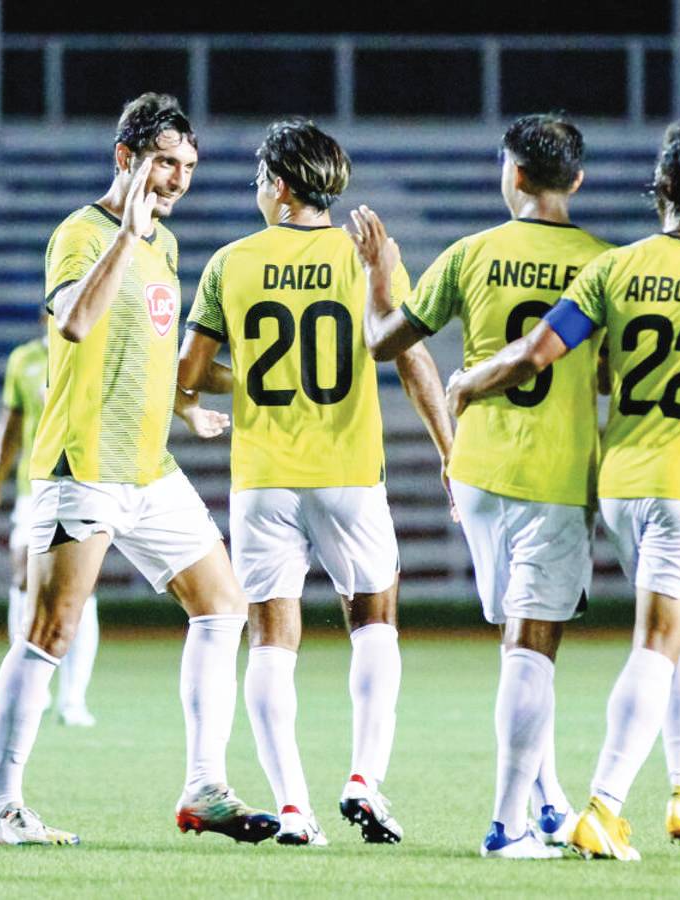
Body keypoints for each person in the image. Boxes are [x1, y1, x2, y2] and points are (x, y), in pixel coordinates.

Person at [443, 117, 680, 860]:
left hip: (621, 478)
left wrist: (467, 379)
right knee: (661, 639)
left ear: (664, 186)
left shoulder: (616, 266)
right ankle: (604, 804)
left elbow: (540, 355)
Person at [0, 93, 277, 847]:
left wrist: (184, 408)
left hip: (149, 467)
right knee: (51, 629)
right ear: (126, 159)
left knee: (223, 605)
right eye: (163, 162)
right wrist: (127, 240)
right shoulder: (81, 232)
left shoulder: (166, 249)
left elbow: (141, 350)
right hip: (85, 465)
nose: (177, 179)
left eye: (188, 167)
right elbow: (75, 321)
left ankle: (205, 787)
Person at [177, 119, 453, 847]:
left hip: (263, 478)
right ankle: (364, 776)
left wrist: (254, 387)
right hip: (348, 471)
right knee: (375, 617)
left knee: (271, 636)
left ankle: (293, 806)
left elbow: (188, 373)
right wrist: (451, 451)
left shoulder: (230, 262)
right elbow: (411, 356)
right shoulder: (367, 254)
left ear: (278, 183)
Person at [347, 113, 613, 859]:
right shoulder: (606, 263)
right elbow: (609, 373)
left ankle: (550, 803)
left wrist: (377, 274)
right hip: (554, 474)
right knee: (534, 648)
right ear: (577, 180)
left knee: (519, 642)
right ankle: (508, 827)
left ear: (515, 174)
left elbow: (382, 341)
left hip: (477, 475)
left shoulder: (473, 253)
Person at [0, 316, 99, 728]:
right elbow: (9, 427)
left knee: (81, 586)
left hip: (85, 481)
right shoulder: (23, 360)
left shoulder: (94, 352)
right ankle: (35, 686)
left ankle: (74, 699)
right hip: (36, 486)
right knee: (23, 576)